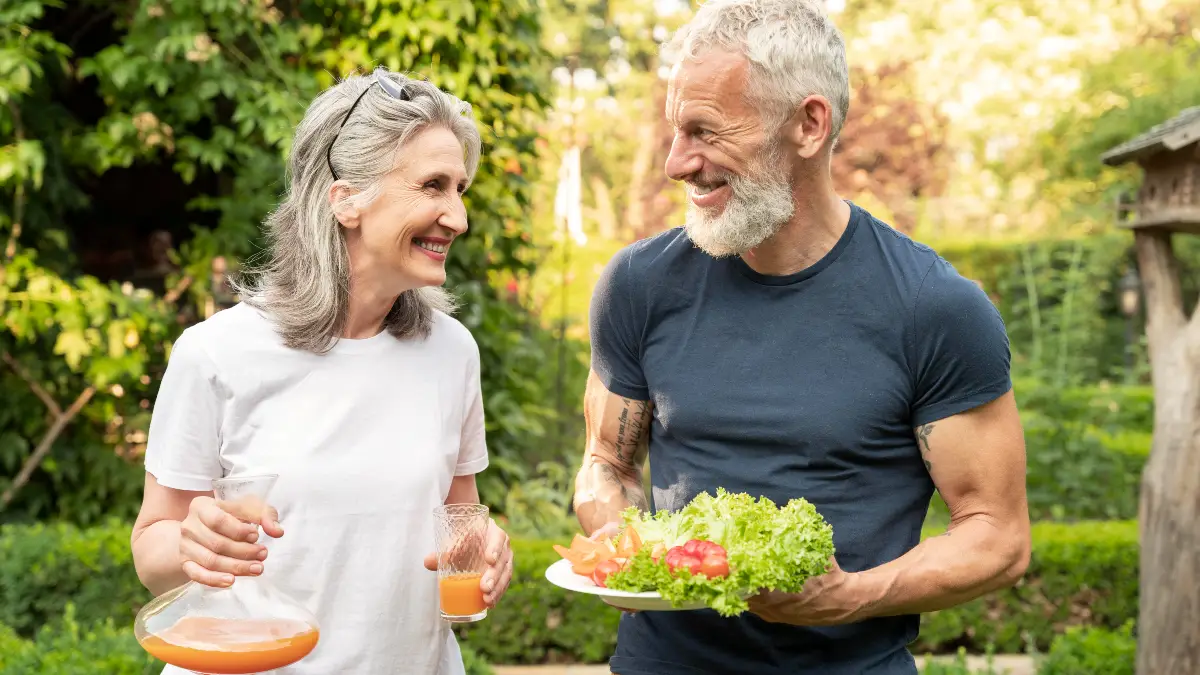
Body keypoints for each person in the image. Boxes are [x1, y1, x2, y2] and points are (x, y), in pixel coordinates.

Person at [572, 1, 1030, 674]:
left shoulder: (933, 307)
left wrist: (851, 595)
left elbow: (999, 536)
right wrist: (619, 539)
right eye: (676, 131)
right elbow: (605, 462)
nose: (676, 163)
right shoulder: (639, 284)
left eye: (704, 131)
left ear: (809, 125)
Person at [130, 67, 513, 675]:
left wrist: (486, 556)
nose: (458, 218)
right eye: (433, 186)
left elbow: (458, 521)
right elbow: (153, 549)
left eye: (460, 189)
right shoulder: (215, 352)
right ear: (346, 199)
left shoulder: (451, 351)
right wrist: (191, 543)